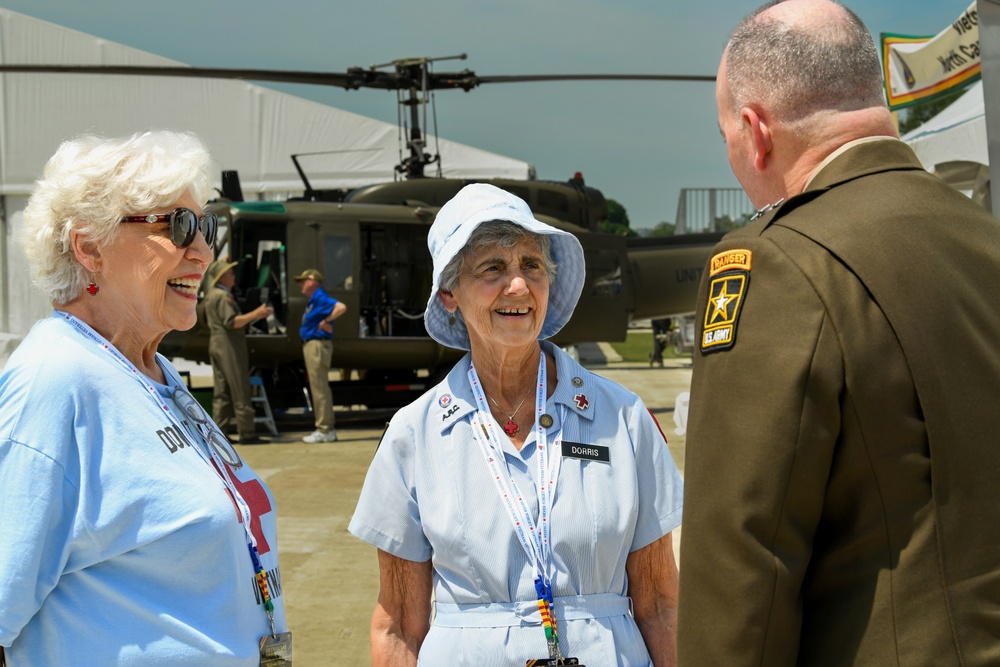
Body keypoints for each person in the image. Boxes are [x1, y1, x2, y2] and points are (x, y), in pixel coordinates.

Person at [676, 1, 1000, 665]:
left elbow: (743, 562)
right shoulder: (984, 241)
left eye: (727, 139)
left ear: (756, 130)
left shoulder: (778, 264)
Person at [349, 183, 684, 666]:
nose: (519, 287)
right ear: (449, 293)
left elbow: (660, 605)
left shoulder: (623, 418)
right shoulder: (414, 434)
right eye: (493, 268)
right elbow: (399, 623)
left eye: (532, 266)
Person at [0, 131, 289, 666]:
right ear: (90, 248)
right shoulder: (56, 381)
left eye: (204, 228)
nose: (202, 252)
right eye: (177, 226)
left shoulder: (150, 373)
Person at [202, 259, 273, 444]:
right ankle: (247, 432)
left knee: (222, 391)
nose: (234, 276)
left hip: (216, 343)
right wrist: (257, 313)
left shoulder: (211, 294)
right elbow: (232, 322)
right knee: (240, 387)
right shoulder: (223, 296)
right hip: (229, 345)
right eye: (230, 273)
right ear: (222, 277)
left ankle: (220, 434)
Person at [293, 268, 346, 443]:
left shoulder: (319, 297)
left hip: (316, 345)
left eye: (303, 280)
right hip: (313, 345)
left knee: (319, 387)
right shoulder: (314, 299)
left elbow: (341, 307)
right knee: (318, 387)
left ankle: (325, 429)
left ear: (313, 281)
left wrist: (327, 321)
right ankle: (325, 428)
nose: (300, 284)